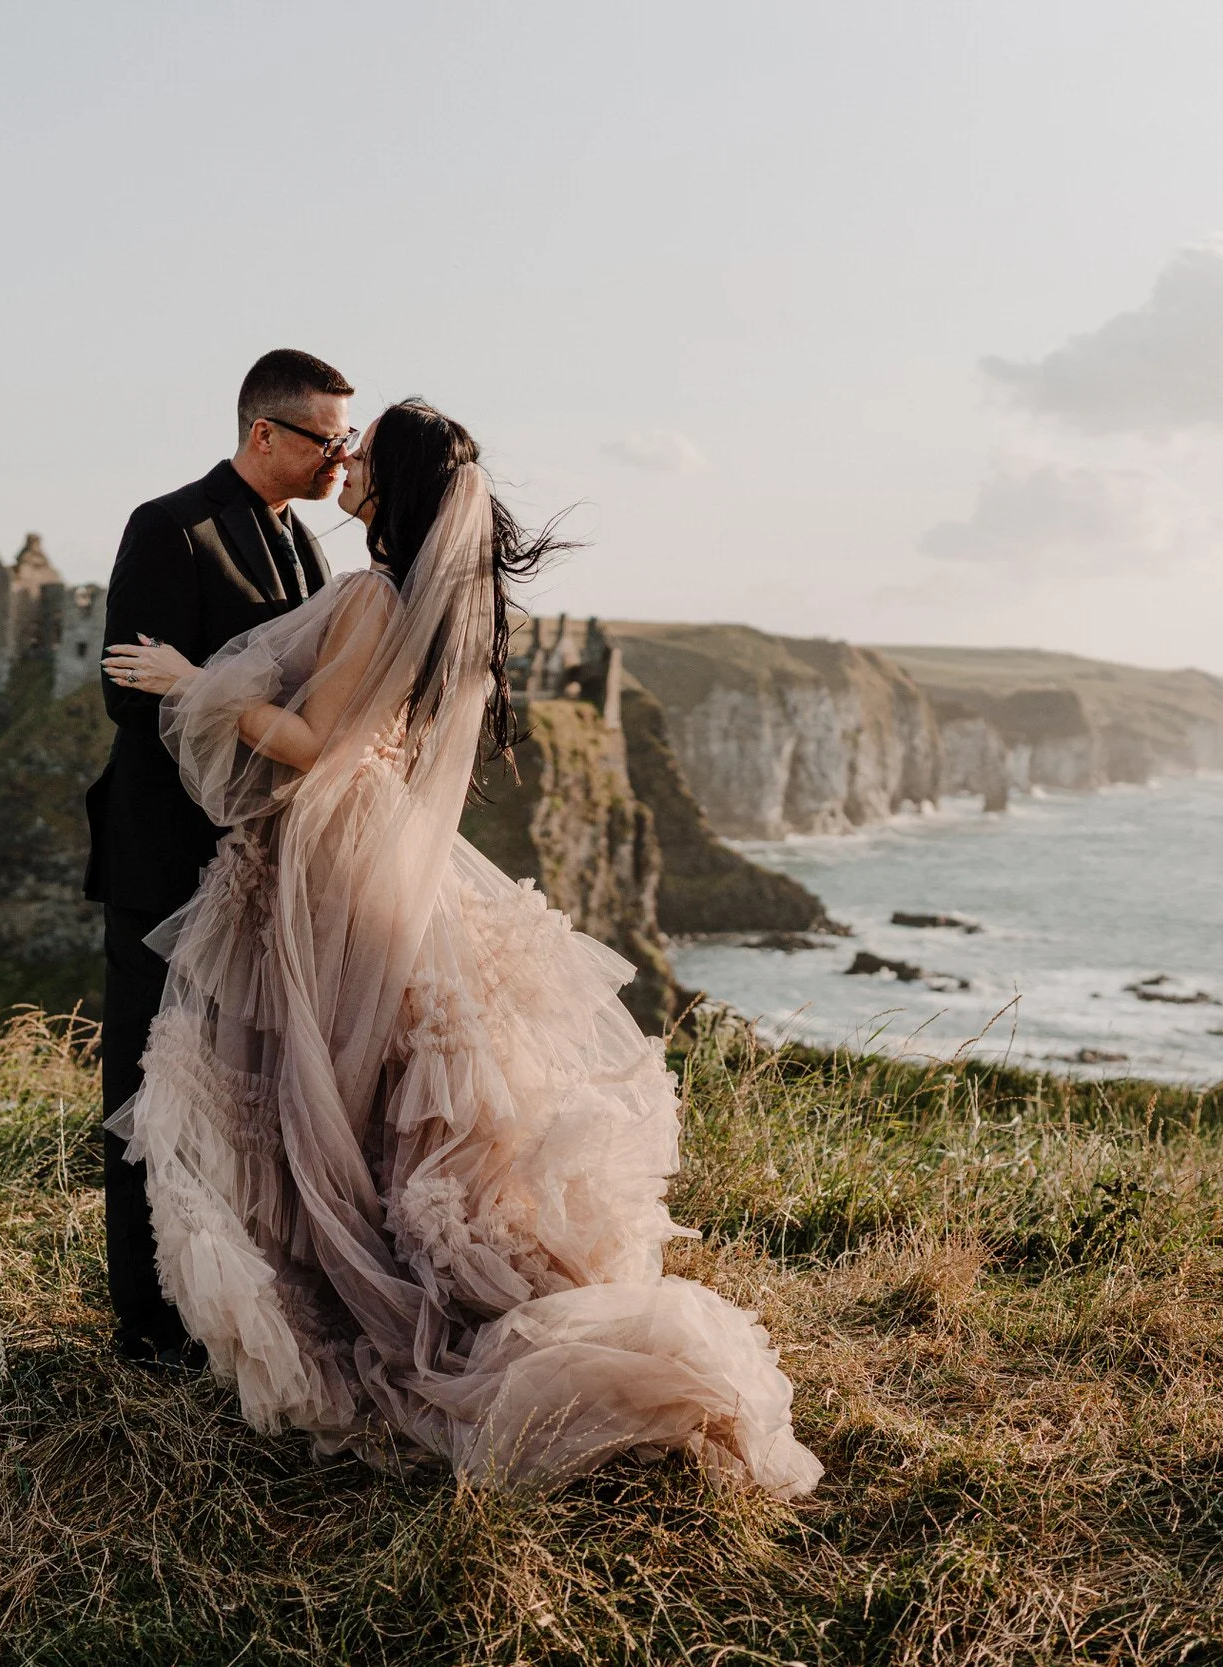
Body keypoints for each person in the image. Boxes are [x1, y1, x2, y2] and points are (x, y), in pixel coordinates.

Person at [101, 400, 822, 1495]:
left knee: (322, 1083)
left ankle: (341, 1307)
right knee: (377, 1088)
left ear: (389, 489)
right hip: (394, 853)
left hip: (333, 856)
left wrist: (194, 684)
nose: (343, 465)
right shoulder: (438, 610)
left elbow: (315, 746)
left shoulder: (368, 592)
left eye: (362, 456)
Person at [85, 349, 355, 1370]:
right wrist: (234, 703)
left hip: (253, 865)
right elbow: (126, 689)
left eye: (347, 442)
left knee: (235, 1095)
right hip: (164, 856)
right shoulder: (171, 526)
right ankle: (146, 1325)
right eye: (328, 439)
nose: (342, 458)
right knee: (147, 1089)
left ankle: (219, 1297)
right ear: (264, 435)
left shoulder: (309, 552)